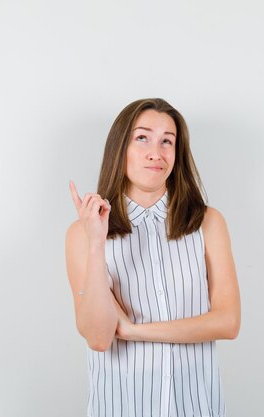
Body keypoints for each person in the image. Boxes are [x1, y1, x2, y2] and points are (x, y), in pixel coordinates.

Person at [65, 98, 241, 417]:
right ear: (120, 148)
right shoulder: (83, 234)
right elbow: (99, 336)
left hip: (196, 409)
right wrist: (95, 244)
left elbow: (227, 322)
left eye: (167, 142)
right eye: (142, 137)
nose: (155, 153)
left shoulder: (208, 223)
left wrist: (133, 330)